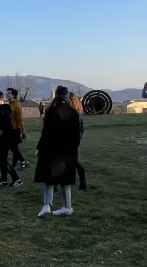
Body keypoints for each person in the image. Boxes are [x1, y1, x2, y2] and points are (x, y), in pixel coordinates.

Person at [35, 86, 81, 217]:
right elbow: (77, 135)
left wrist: (39, 147)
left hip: (52, 150)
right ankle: (67, 207)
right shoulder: (74, 113)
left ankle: (46, 206)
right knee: (65, 180)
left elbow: (46, 133)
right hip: (68, 151)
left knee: (49, 178)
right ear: (67, 97)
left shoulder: (51, 111)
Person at [0, 91, 23, 188]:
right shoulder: (5, 108)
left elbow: (2, 127)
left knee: (2, 160)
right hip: (5, 138)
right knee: (0, 160)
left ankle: (17, 179)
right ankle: (4, 180)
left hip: (4, 138)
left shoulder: (2, 108)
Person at [68, 91, 87, 191]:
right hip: (73, 140)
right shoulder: (76, 112)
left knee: (74, 161)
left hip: (72, 141)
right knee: (73, 161)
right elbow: (82, 129)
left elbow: (78, 129)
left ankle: (82, 182)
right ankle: (81, 182)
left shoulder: (74, 113)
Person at [7, 87, 28, 169]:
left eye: (9, 93)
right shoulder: (10, 104)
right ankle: (17, 164)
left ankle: (21, 162)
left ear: (13, 95)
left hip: (15, 129)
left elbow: (20, 119)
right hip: (10, 129)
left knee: (13, 147)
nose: (7, 94)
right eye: (7, 92)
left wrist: (23, 132)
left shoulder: (17, 105)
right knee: (14, 148)